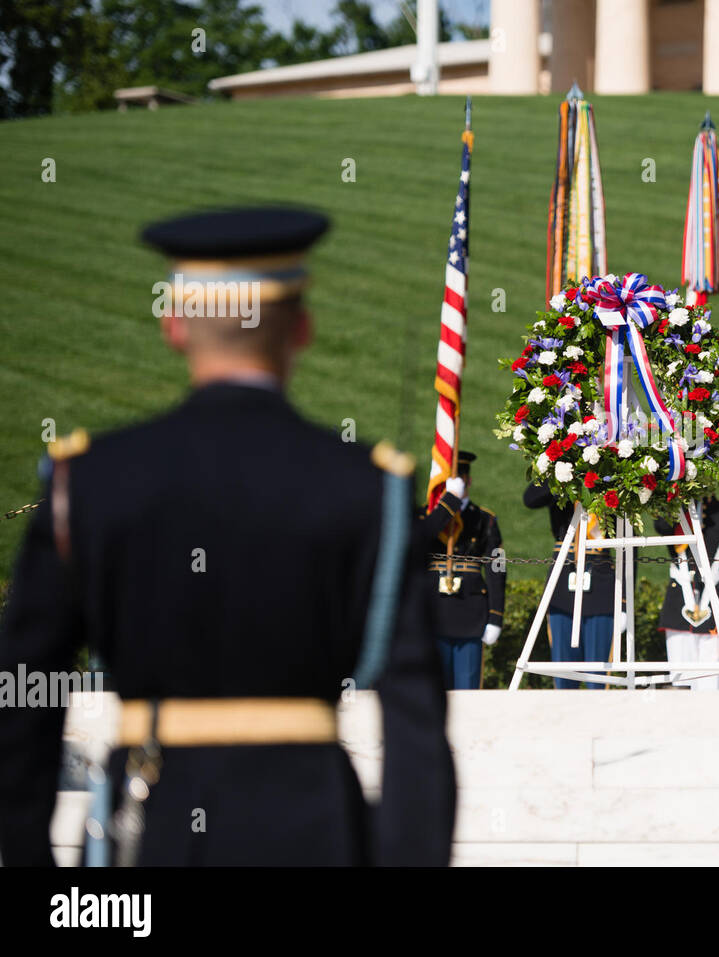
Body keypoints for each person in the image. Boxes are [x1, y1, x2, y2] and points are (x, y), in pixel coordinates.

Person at [0, 207, 455, 866]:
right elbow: (416, 724)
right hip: (317, 830)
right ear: (301, 327)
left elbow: (22, 700)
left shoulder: (91, 480)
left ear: (175, 325)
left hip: (151, 832)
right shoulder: (367, 486)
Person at [523, 482, 619, 689]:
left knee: (599, 679)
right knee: (564, 675)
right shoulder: (561, 478)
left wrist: (624, 601)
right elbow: (530, 498)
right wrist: (563, 474)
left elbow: (629, 544)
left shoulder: (612, 478)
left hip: (601, 584)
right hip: (563, 581)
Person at [654, 496, 719, 691]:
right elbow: (662, 526)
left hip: (716, 610)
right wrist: (676, 495)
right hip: (679, 607)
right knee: (680, 685)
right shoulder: (675, 510)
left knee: (712, 686)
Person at [425, 451, 505, 690]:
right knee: (434, 692)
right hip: (433, 614)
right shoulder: (425, 517)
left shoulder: (484, 519)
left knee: (467, 693)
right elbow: (421, 539)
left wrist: (496, 617)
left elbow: (496, 570)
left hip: (470, 614)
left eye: (460, 477)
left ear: (468, 480)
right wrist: (448, 504)